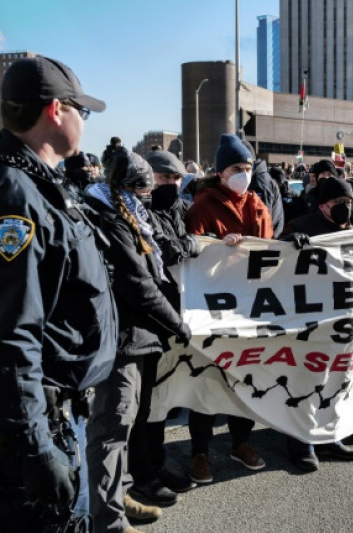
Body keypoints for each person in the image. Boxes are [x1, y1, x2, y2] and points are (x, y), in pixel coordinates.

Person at [0, 55, 117, 532]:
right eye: (83, 110)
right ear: (55, 111)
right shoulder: (10, 195)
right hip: (27, 419)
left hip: (45, 409)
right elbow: (6, 335)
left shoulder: (33, 184)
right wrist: (35, 446)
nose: (85, 121)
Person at [84, 149, 191, 532]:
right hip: (121, 338)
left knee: (129, 424)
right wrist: (175, 321)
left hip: (137, 336)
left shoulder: (130, 216)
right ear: (129, 188)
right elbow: (138, 284)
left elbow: (158, 248)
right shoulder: (112, 219)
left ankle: (121, 495)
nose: (149, 197)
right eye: (145, 189)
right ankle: (108, 519)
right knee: (113, 428)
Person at [184, 134, 272, 484]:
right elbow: (192, 255)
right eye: (238, 168)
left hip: (250, 308)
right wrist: (218, 248)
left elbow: (271, 253)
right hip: (213, 310)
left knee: (244, 379)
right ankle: (199, 452)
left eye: (249, 167)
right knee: (206, 382)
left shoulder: (258, 204)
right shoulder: (202, 206)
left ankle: (240, 442)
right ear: (221, 173)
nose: (245, 174)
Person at [279, 178, 353, 470]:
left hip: (341, 322)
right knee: (305, 381)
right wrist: (288, 245)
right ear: (323, 206)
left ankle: (329, 438)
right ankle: (300, 443)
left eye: (349, 203)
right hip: (308, 323)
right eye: (339, 204)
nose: (346, 209)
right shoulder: (300, 226)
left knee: (335, 382)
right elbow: (271, 260)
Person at [126, 149, 201, 502]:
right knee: (146, 402)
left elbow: (204, 238)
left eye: (174, 179)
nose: (169, 184)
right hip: (150, 321)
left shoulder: (181, 208)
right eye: (162, 178)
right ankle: (144, 472)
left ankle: (153, 464)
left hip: (177, 316)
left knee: (162, 396)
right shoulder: (139, 213)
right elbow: (165, 251)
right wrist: (190, 244)